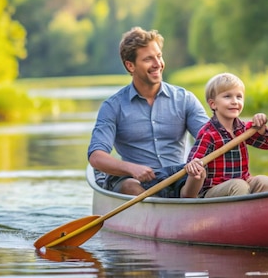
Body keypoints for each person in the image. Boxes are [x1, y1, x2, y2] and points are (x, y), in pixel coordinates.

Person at [87, 27, 209, 197]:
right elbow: (96, 157)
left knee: (198, 176)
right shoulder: (113, 106)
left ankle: (183, 207)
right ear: (130, 66)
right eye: (148, 59)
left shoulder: (185, 99)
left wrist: (252, 127)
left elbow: (213, 138)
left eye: (159, 56)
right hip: (136, 183)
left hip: (179, 177)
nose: (157, 64)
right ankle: (155, 213)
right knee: (130, 185)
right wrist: (132, 168)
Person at [185, 72, 268, 198]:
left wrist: (261, 130)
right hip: (214, 189)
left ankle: (262, 215)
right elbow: (193, 163)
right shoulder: (208, 134)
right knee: (239, 186)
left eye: (239, 97)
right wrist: (194, 165)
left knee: (267, 183)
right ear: (213, 104)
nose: (235, 102)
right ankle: (241, 217)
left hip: (244, 182)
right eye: (227, 96)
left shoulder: (244, 129)